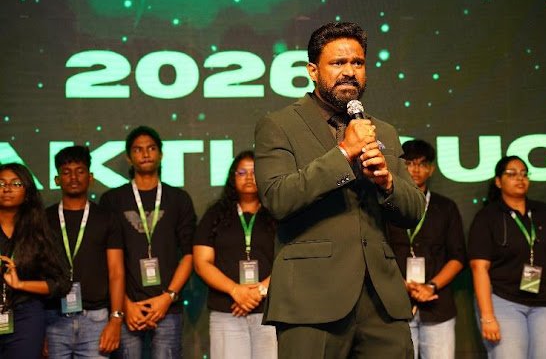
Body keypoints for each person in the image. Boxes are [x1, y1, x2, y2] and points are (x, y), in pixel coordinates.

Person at [254, 21, 425, 358]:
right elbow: (278, 198)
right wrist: (344, 153)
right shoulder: (279, 124)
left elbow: (414, 211)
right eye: (338, 62)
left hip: (381, 301)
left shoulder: (383, 131)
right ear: (313, 71)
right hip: (311, 298)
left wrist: (387, 183)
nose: (349, 71)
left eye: (357, 63)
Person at [99, 126, 196, 358]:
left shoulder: (178, 199)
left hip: (167, 307)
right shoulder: (112, 200)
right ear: (128, 157)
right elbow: (106, 261)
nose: (145, 154)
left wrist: (168, 297)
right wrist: (124, 305)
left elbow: (189, 255)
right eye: (138, 149)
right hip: (128, 308)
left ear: (160, 154)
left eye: (151, 148)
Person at [468, 156, 546, 359]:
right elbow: (479, 268)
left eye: (524, 174)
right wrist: (487, 316)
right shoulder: (488, 216)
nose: (520, 178)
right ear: (498, 181)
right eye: (511, 174)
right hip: (504, 299)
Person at [193, 150, 277, 359]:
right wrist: (235, 290)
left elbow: (288, 259)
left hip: (269, 312)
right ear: (233, 177)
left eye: (254, 172)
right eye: (242, 172)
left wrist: (260, 290)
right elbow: (202, 262)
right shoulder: (215, 215)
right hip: (227, 311)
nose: (248, 177)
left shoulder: (277, 212)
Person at [387, 139, 465, 359]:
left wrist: (431, 286)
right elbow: (376, 254)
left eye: (422, 164)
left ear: (431, 169)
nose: (416, 169)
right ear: (400, 165)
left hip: (438, 305)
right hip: (396, 305)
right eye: (410, 163)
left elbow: (458, 257)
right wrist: (402, 284)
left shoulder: (446, 207)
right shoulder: (386, 205)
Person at [45, 145, 125, 357]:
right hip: (52, 318)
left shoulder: (106, 218)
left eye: (80, 171)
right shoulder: (44, 219)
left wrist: (116, 319)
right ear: (57, 180)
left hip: (96, 319)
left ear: (90, 177)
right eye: (66, 172)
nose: (73, 177)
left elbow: (116, 271)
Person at [0, 163, 71, 358]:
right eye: (1, 183)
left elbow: (61, 283)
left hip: (26, 314)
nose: (7, 188)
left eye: (16, 184)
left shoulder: (40, 232)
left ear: (27, 193)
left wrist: (20, 284)